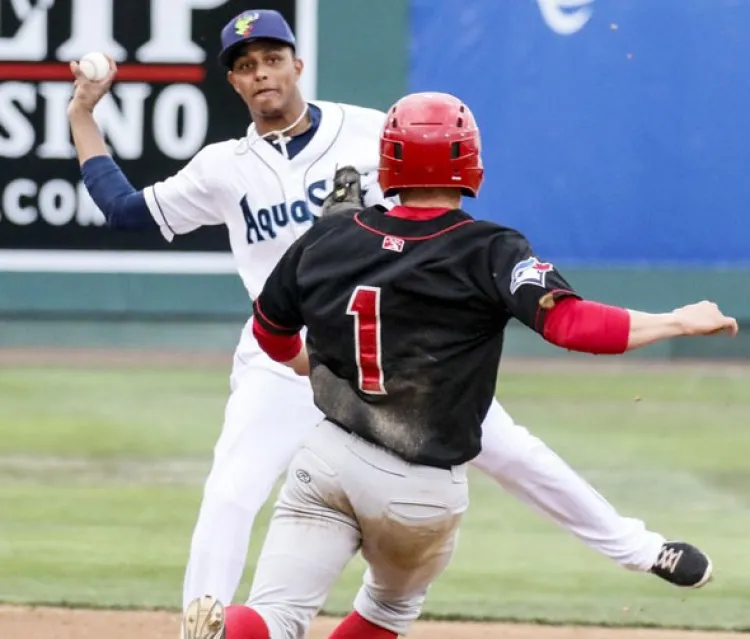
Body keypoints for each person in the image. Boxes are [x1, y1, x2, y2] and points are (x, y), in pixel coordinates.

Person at [67, 8, 716, 616]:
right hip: (285, 352)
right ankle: (198, 624)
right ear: (233, 80)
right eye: (244, 63)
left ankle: (638, 546)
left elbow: (436, 211)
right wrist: (82, 116)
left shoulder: (372, 128)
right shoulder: (222, 167)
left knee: (514, 450)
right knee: (232, 489)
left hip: (404, 348)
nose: (260, 71)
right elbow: (126, 211)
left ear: (296, 63)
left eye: (271, 56)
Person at [181, 91, 737, 639]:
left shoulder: (329, 236)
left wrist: (307, 357)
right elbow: (572, 326)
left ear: (389, 161)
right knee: (387, 610)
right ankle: (638, 548)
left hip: (328, 459)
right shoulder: (490, 249)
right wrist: (676, 322)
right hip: (419, 486)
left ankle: (223, 632)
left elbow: (269, 333)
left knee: (273, 617)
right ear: (470, 162)